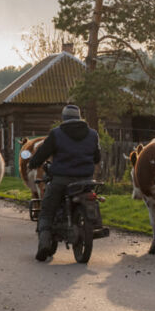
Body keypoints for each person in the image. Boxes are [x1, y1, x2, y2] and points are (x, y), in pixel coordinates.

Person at [27, 104, 101, 261]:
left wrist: (32, 163)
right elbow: (97, 158)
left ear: (64, 118)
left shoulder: (56, 134)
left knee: (47, 209)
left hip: (61, 180)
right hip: (86, 181)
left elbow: (42, 154)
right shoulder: (93, 134)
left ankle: (44, 244)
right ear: (79, 117)